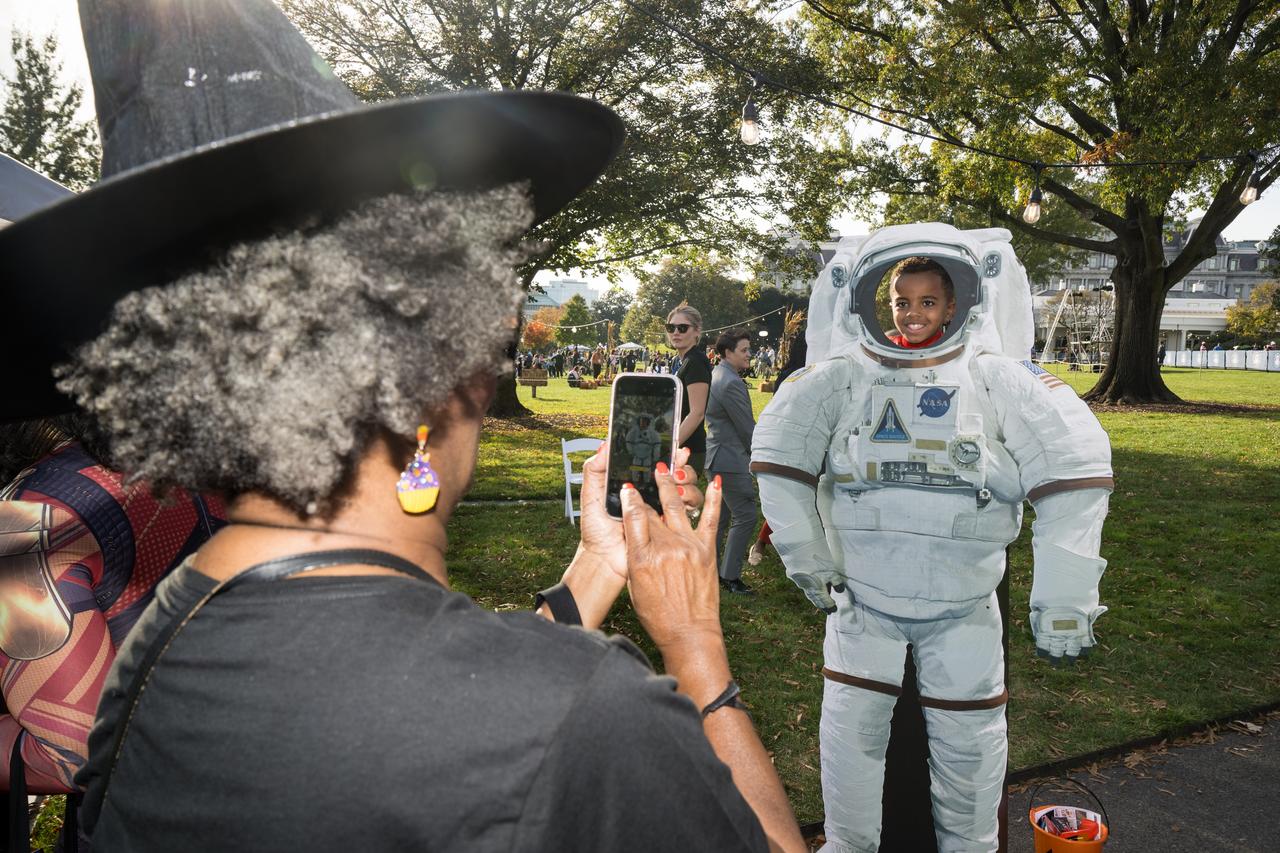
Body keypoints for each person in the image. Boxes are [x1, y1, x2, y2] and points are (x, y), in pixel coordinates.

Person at [2, 3, 807, 851]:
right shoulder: (584, 718)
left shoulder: (164, 637)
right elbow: (489, 726)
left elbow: (411, 708)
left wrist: (596, 567)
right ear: (435, 378)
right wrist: (699, 654)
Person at [753, 246, 1112, 852]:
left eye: (926, 302)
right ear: (879, 305)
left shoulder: (989, 374)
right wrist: (808, 562)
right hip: (863, 601)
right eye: (901, 302)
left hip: (963, 601)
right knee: (849, 742)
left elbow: (1074, 467)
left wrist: (1063, 598)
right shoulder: (843, 376)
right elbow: (778, 463)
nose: (912, 313)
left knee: (969, 751)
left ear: (953, 305)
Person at [706, 329, 758, 596]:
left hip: (717, 456)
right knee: (746, 515)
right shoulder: (731, 382)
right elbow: (747, 428)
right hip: (729, 459)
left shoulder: (718, 374)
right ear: (728, 353)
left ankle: (711, 572)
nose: (749, 354)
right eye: (744, 350)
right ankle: (729, 576)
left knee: (722, 517)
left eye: (749, 349)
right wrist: (761, 458)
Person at [668, 306, 712, 476]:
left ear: (697, 331)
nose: (676, 332)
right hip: (679, 446)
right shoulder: (679, 361)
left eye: (682, 328)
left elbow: (697, 413)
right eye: (671, 328)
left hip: (689, 450)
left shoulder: (695, 362)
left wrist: (671, 445)